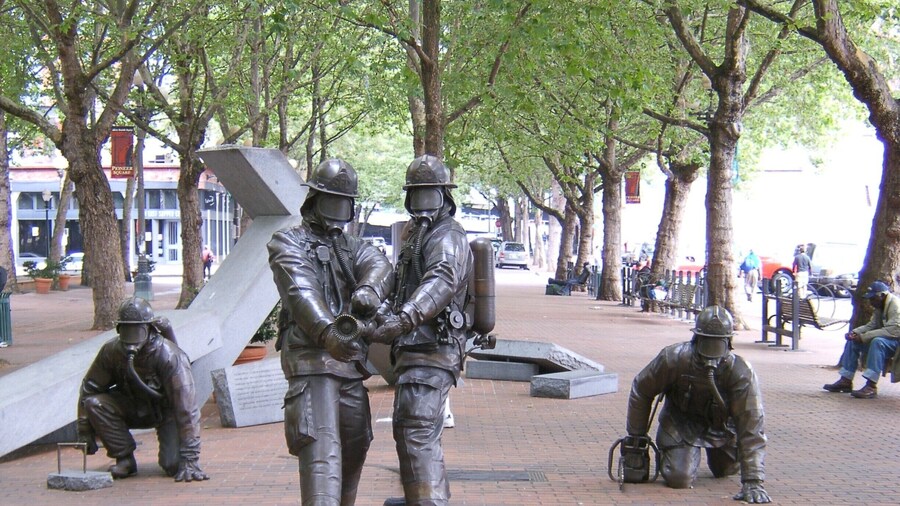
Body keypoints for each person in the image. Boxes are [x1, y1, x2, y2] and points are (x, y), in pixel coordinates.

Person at [267, 158, 394, 505]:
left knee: (355, 443)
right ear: (314, 200)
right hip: (312, 360)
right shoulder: (287, 242)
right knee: (322, 454)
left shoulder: (352, 246)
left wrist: (370, 289)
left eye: (343, 203)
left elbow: (379, 264)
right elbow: (300, 290)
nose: (337, 211)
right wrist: (327, 333)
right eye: (330, 202)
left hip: (350, 366)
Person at [369, 155, 474, 506]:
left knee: (416, 432)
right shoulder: (417, 236)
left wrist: (403, 320)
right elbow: (402, 284)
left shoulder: (448, 236)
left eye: (430, 196)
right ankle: (423, 496)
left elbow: (441, 280)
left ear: (445, 197)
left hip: (434, 346)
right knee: (409, 429)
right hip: (416, 347)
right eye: (417, 197)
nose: (422, 205)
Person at [624, 306, 770, 503]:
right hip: (680, 425)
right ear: (697, 339)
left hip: (722, 428)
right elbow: (641, 389)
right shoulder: (673, 358)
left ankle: (723, 457)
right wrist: (636, 437)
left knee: (726, 470)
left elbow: (752, 424)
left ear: (729, 342)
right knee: (679, 478)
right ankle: (674, 453)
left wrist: (753, 480)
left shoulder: (741, 372)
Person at [77, 297, 209, 482]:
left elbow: (187, 409)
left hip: (165, 412)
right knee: (95, 404)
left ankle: (181, 458)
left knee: (172, 465)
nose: (131, 338)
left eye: (136, 330)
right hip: (132, 406)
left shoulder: (169, 355)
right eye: (126, 330)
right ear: (119, 329)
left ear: (149, 328)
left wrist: (190, 457)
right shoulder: (112, 351)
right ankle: (124, 458)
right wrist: (84, 429)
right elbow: (90, 388)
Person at [823, 281, 900, 399]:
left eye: (873, 299)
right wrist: (855, 332)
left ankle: (871, 386)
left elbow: (894, 330)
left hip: (896, 343)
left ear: (882, 295)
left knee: (877, 342)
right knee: (853, 341)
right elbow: (872, 325)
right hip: (888, 340)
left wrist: (864, 337)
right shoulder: (880, 305)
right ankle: (846, 380)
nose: (871, 302)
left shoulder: (895, 305)